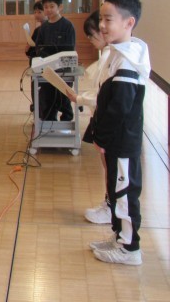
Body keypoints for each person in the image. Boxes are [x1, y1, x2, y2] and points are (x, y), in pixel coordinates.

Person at [86, 0, 150, 266]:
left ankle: (130, 248)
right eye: (101, 18)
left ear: (128, 22)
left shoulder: (128, 60)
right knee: (115, 190)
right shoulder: (116, 52)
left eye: (108, 19)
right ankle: (119, 236)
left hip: (122, 141)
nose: (102, 25)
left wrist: (102, 137)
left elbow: (119, 108)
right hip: (114, 141)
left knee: (124, 194)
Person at [66, 11, 112, 224]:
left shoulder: (114, 57)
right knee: (107, 165)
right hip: (101, 118)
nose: (92, 40)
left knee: (112, 167)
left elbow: (103, 94)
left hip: (110, 122)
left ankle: (112, 207)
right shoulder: (107, 55)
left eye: (92, 35)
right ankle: (110, 203)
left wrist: (79, 98)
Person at [34, 0, 76, 121]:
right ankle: (49, 122)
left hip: (64, 69)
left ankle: (66, 119)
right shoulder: (43, 28)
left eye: (52, 6)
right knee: (46, 96)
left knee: (63, 95)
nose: (48, 10)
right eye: (46, 7)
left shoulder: (68, 25)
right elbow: (38, 47)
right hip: (47, 68)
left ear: (60, 7)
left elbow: (70, 49)